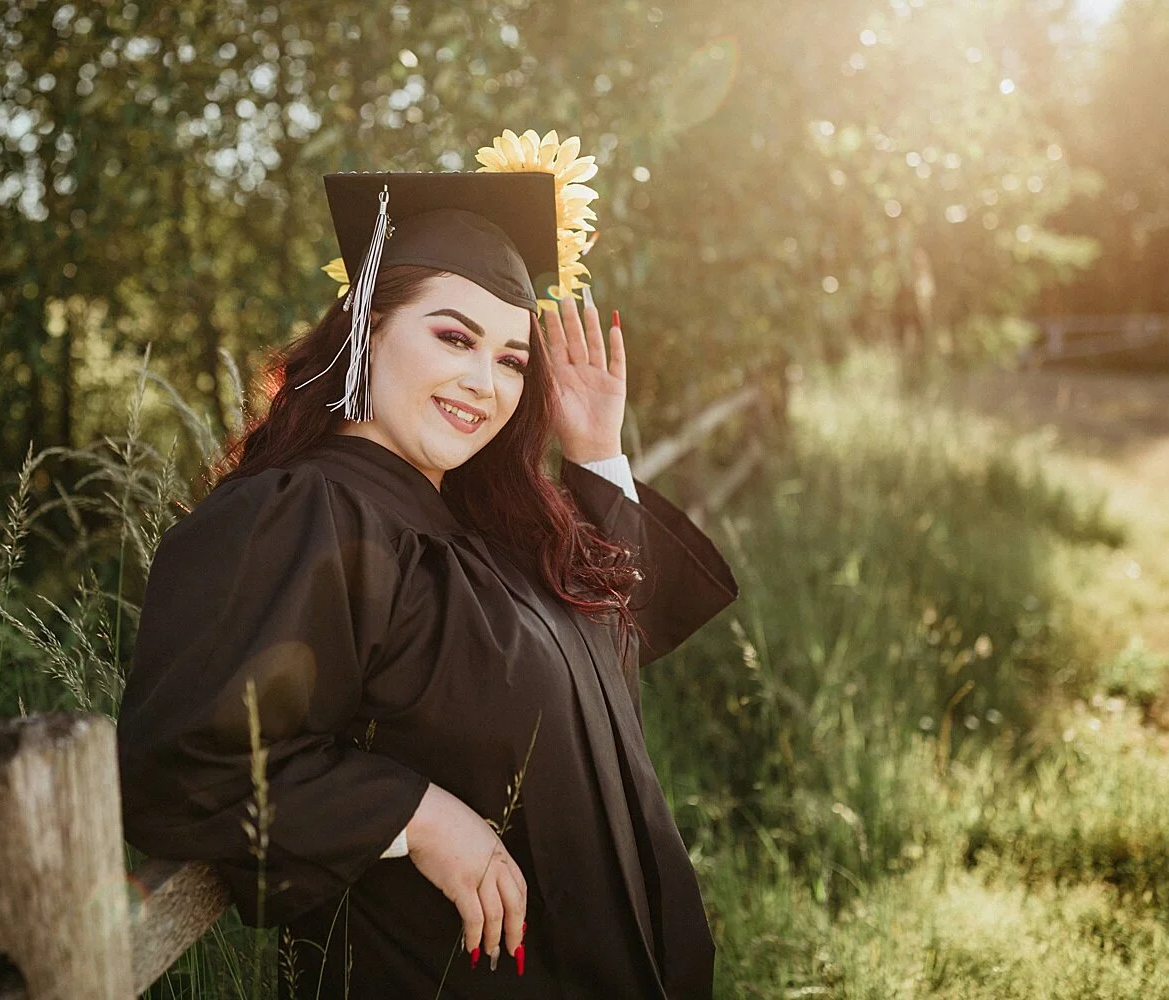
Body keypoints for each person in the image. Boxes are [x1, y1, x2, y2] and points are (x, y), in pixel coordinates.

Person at [116, 129, 739, 999]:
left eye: (512, 359)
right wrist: (411, 813)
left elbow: (603, 659)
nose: (485, 382)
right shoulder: (304, 514)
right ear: (367, 328)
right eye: (454, 337)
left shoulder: (478, 524)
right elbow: (181, 765)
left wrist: (595, 453)